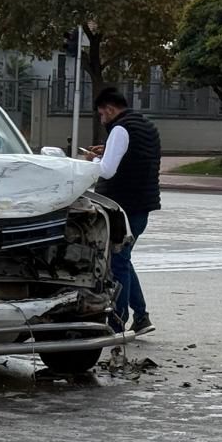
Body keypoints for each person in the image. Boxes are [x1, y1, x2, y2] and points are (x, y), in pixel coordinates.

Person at [82, 87, 160, 336]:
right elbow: (134, 157)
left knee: (117, 263)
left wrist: (92, 162)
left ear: (109, 109)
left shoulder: (120, 129)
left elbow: (107, 171)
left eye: (101, 114)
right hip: (141, 206)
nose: (101, 119)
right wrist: (108, 151)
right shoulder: (146, 126)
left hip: (122, 207)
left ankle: (117, 322)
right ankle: (141, 317)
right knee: (123, 259)